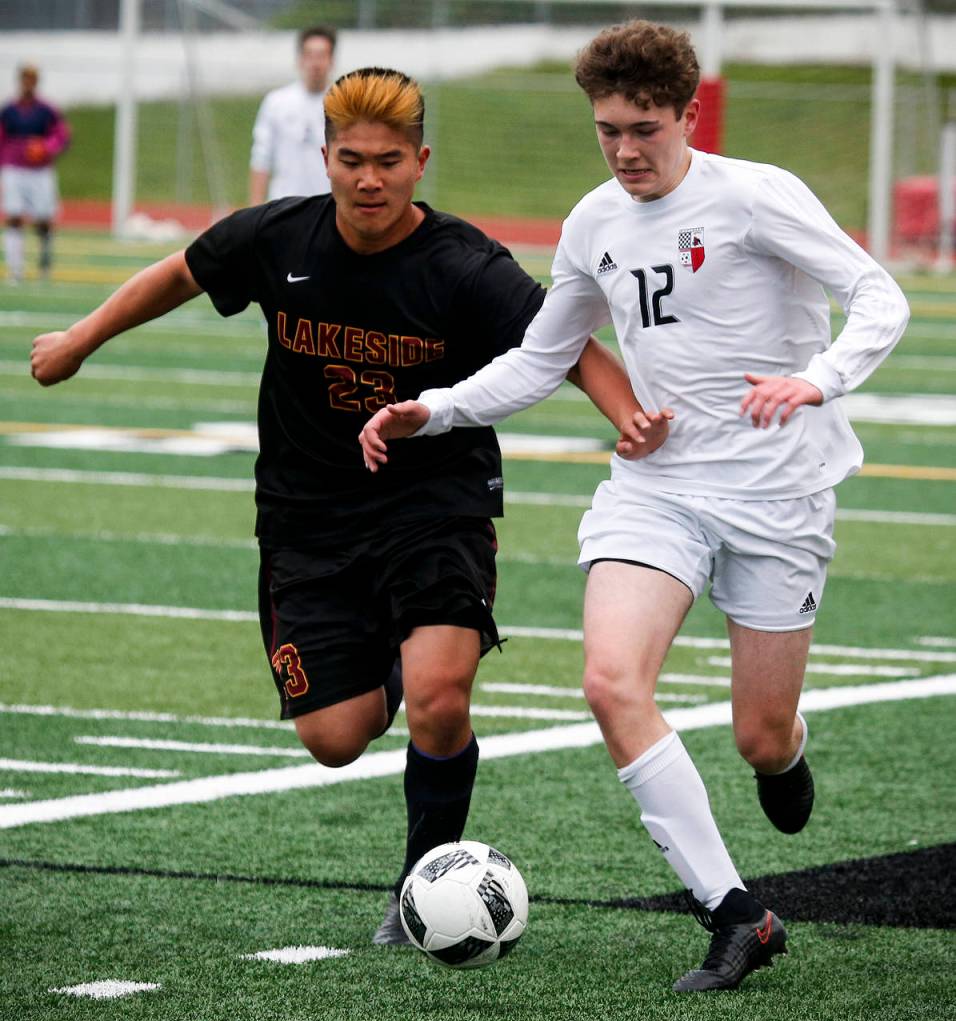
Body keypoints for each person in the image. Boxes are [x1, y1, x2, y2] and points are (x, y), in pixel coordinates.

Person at [30, 67, 658, 946]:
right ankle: (403, 657)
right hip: (306, 515)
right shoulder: (277, 236)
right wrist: (79, 339)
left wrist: (629, 415)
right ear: (324, 158)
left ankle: (421, 887)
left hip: (431, 504)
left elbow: (563, 339)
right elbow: (180, 271)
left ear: (420, 162)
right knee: (336, 735)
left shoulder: (463, 264)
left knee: (442, 698)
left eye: (390, 161)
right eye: (353, 160)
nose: (370, 179)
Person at [359, 21, 910, 990]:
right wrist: (434, 411)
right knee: (611, 681)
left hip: (778, 495)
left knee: (758, 731)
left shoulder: (751, 195)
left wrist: (815, 380)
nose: (623, 150)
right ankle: (735, 912)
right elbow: (542, 353)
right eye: (607, 129)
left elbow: (877, 296)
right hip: (655, 491)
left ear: (686, 116)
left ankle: (781, 757)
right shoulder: (592, 221)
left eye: (643, 129)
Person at [249, 25, 336, 204]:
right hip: (284, 206)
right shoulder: (276, 102)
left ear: (331, 60)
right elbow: (261, 158)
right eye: (310, 55)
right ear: (299, 60)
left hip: (328, 207)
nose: (315, 63)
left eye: (321, 56)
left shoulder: (343, 103)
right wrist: (254, 210)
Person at [0, 63, 70, 283]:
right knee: (13, 217)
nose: (28, 83)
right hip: (14, 169)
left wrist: (46, 147)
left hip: (40, 172)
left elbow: (62, 136)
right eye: (25, 78)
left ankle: (44, 261)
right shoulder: (8, 110)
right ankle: (15, 268)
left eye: (32, 79)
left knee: (43, 219)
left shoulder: (47, 110)